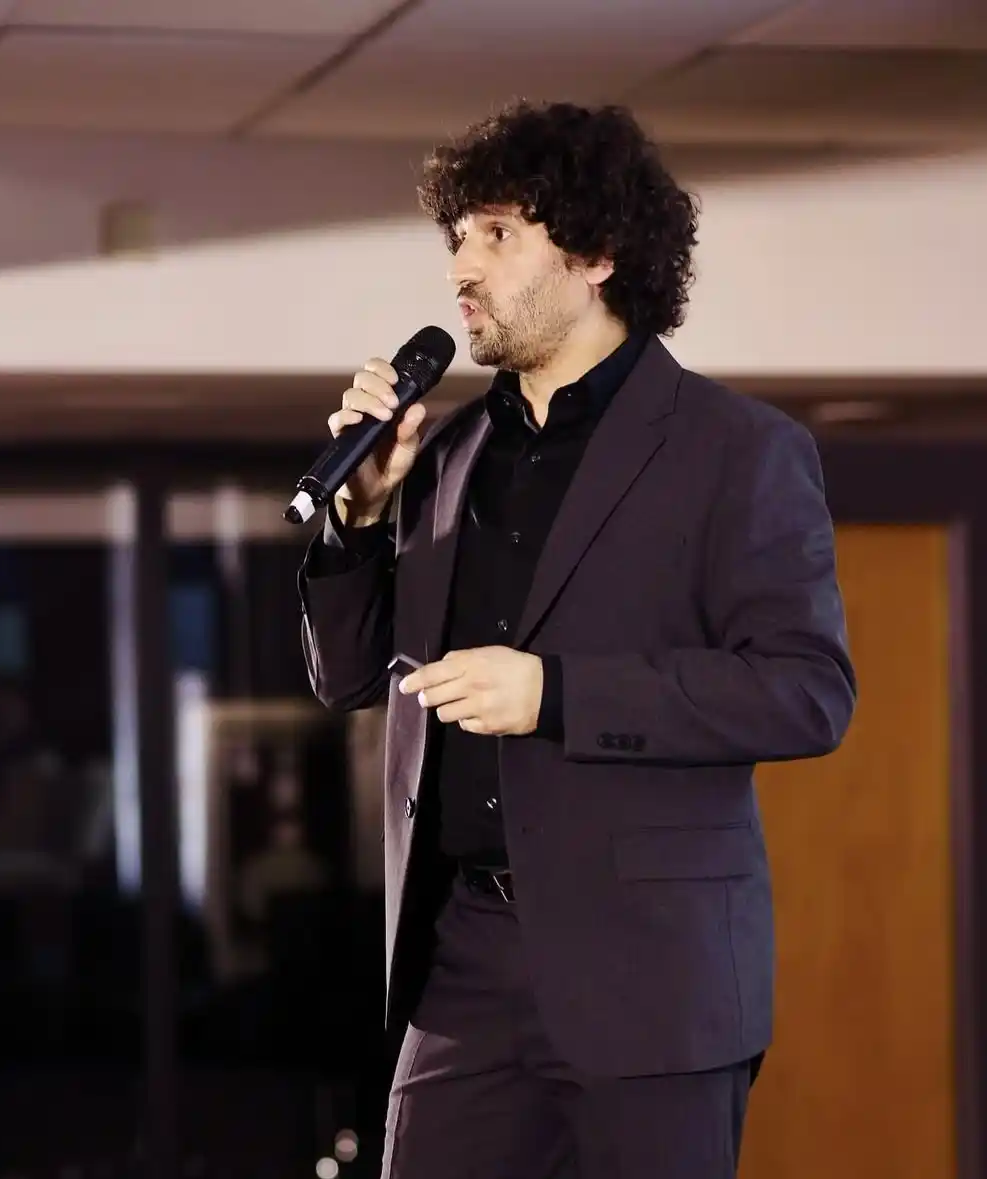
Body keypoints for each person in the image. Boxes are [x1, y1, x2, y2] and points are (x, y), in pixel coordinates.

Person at [297, 101, 856, 1179]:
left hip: (653, 978)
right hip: (463, 964)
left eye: (497, 234)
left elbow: (806, 692)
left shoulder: (737, 451)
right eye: (456, 238)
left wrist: (557, 694)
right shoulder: (447, 457)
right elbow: (349, 676)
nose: (463, 266)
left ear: (599, 254)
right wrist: (359, 519)